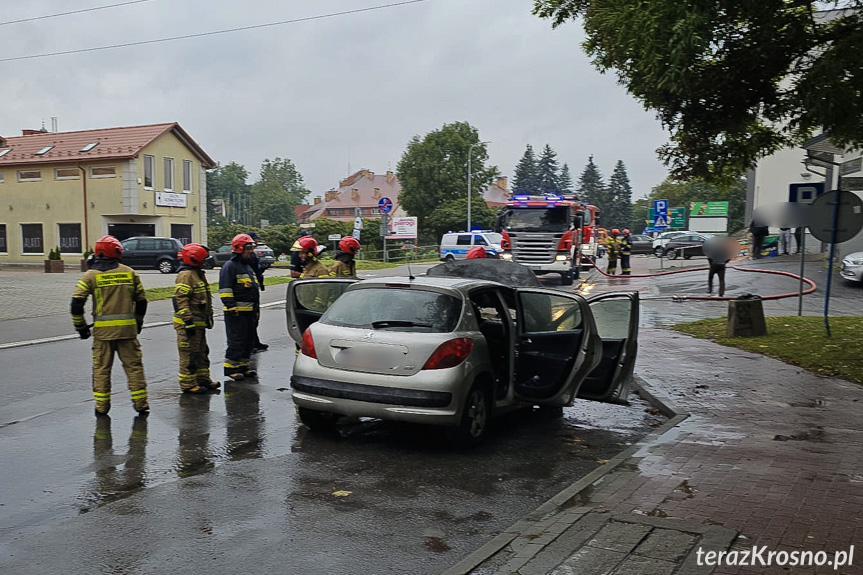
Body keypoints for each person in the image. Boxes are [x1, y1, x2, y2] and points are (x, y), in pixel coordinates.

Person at [71, 235, 149, 416]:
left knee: (101, 370)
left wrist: (81, 327)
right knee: (134, 367)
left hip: (103, 334)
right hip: (128, 332)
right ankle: (141, 404)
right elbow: (142, 301)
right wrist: (138, 322)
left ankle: (102, 407)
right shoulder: (130, 272)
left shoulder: (90, 275)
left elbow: (76, 304)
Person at [173, 243, 219, 394]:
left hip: (198, 323)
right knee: (189, 355)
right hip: (189, 324)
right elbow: (181, 299)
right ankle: (188, 384)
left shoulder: (197, 273)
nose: (205, 262)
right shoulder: (186, 275)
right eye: (203, 259)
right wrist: (188, 321)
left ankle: (203, 379)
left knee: (201, 352)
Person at [219, 233, 261, 381]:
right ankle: (231, 369)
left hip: (249, 312)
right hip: (236, 313)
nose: (251, 251)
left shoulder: (247, 267)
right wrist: (231, 306)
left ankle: (243, 367)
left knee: (249, 341)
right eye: (248, 248)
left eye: (252, 247)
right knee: (237, 341)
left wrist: (255, 310)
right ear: (238, 248)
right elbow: (225, 289)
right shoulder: (230, 267)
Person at [246, 231, 268, 353]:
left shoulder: (252, 255)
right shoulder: (250, 256)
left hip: (254, 288)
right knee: (252, 318)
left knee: (255, 317)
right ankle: (252, 343)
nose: (257, 242)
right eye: (255, 240)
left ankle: (255, 341)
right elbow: (254, 270)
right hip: (249, 290)